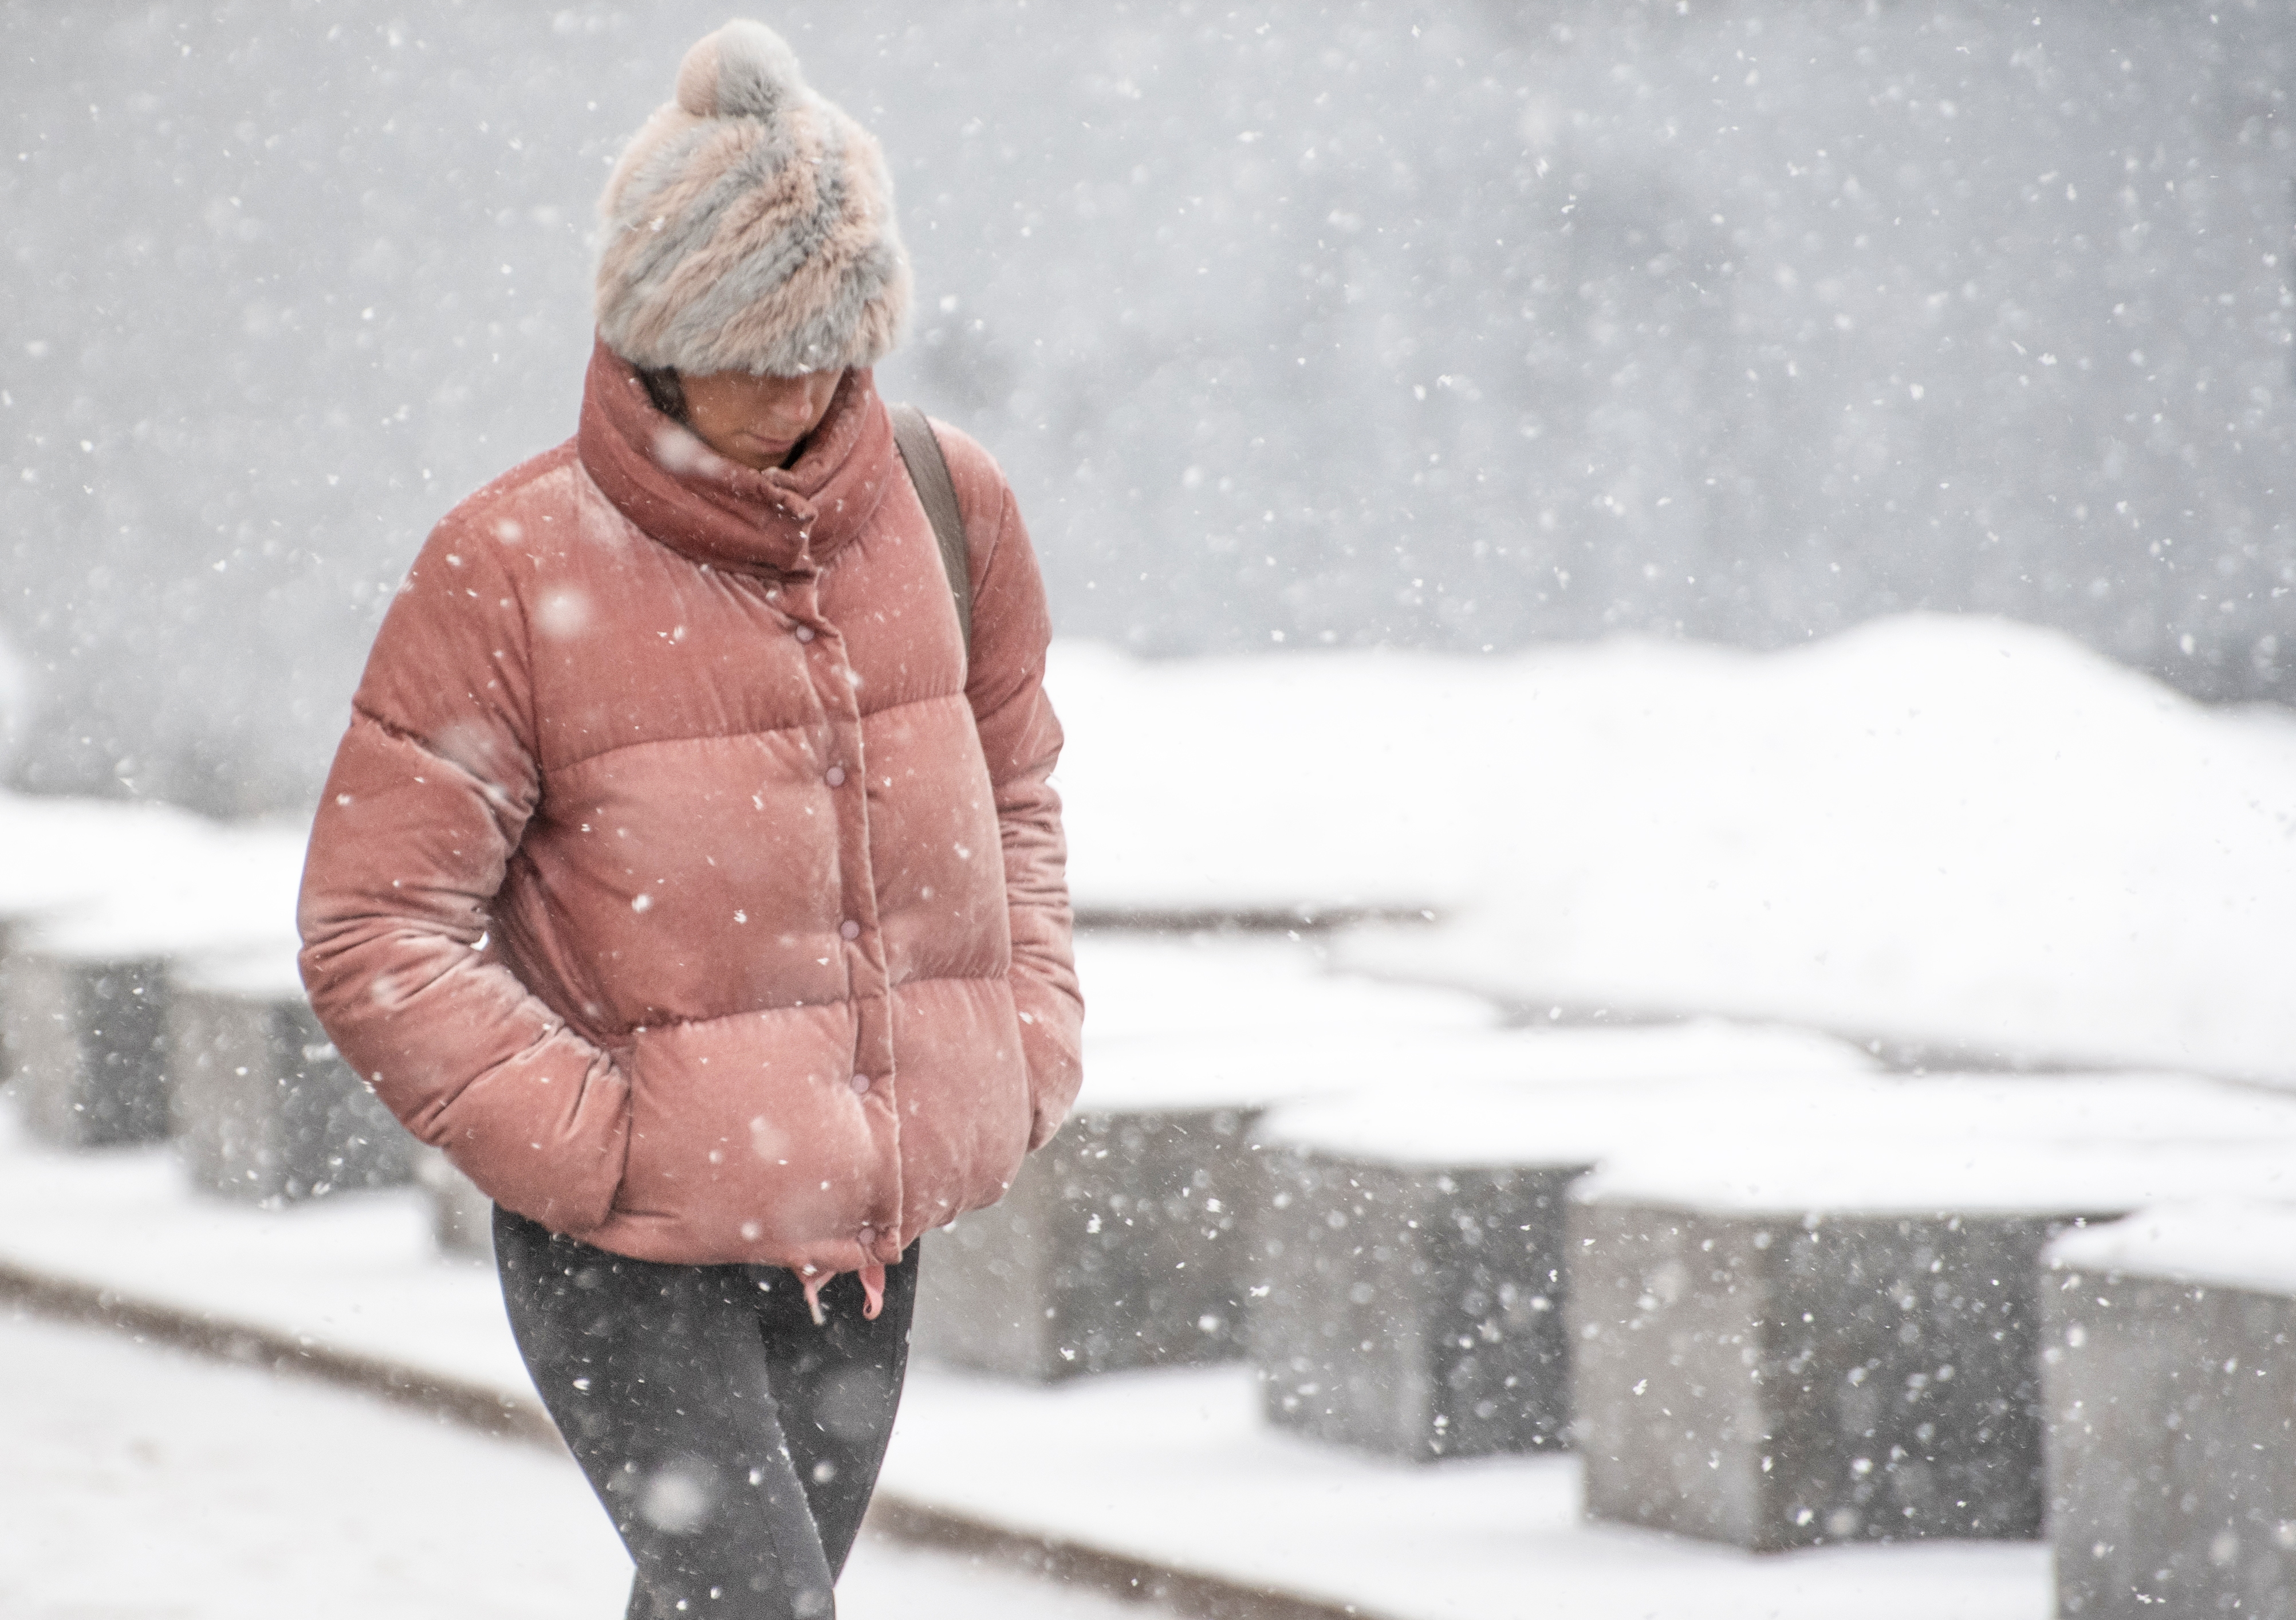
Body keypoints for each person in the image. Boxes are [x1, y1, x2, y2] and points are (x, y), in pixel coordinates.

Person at [296, 20, 1084, 1619]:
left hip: (858, 1223)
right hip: (626, 1240)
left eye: (827, 342)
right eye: (752, 343)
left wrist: (1026, 1033)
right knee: (755, 1606)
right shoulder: (512, 565)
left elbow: (1017, 791)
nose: (795, 385)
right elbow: (372, 924)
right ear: (656, 337)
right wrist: (604, 1142)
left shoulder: (949, 506)